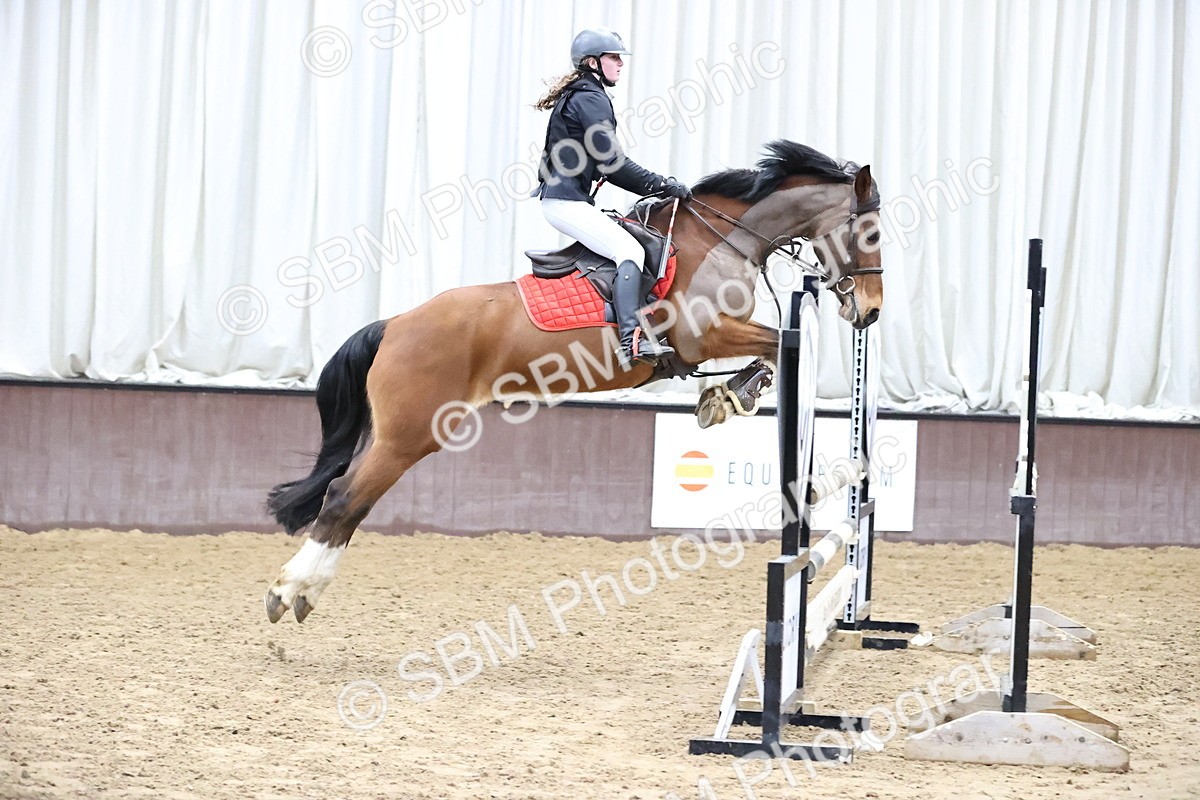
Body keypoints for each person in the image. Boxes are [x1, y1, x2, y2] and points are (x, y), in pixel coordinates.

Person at [532, 27, 692, 366]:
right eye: (613, 57)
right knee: (629, 249)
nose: (620, 64)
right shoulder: (590, 98)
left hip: (568, 200)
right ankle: (630, 340)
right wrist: (661, 185)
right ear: (593, 62)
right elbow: (614, 164)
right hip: (565, 203)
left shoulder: (585, 94)